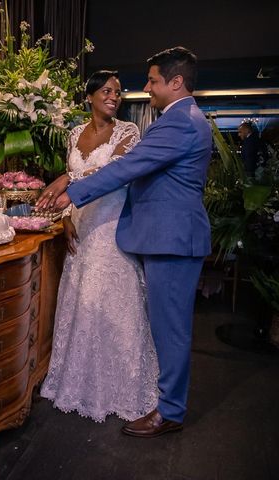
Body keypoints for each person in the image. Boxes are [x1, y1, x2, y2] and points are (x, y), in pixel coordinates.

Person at [37, 46, 212, 438]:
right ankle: (167, 404)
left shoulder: (179, 122)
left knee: (171, 329)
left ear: (176, 81)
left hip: (172, 240)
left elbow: (130, 167)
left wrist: (72, 190)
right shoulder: (181, 119)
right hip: (166, 237)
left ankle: (169, 411)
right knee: (168, 326)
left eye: (152, 80)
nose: (146, 88)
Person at [39, 71, 159, 423]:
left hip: (111, 228)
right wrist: (64, 220)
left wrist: (68, 178)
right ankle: (76, 381)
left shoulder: (128, 132)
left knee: (113, 302)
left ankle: (119, 386)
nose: (114, 96)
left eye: (118, 92)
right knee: (83, 302)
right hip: (81, 227)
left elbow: (116, 174)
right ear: (90, 96)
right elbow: (69, 188)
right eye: (106, 91)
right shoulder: (75, 133)